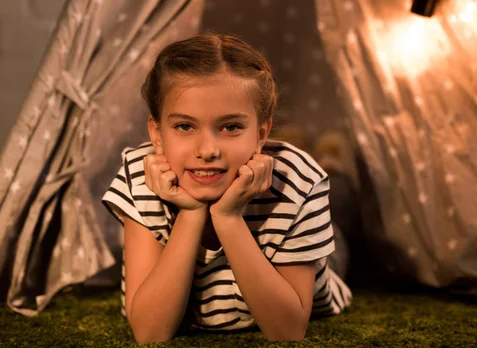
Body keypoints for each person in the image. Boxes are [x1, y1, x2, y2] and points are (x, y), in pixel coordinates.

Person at [101, 34, 352, 343]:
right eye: (185, 126)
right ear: (156, 133)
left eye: (231, 127)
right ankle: (320, 153)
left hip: (321, 250)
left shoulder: (299, 180)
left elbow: (287, 331)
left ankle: (334, 164)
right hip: (254, 193)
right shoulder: (139, 176)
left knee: (340, 216)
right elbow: (151, 332)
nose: (207, 150)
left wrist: (229, 218)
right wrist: (191, 213)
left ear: (261, 134)